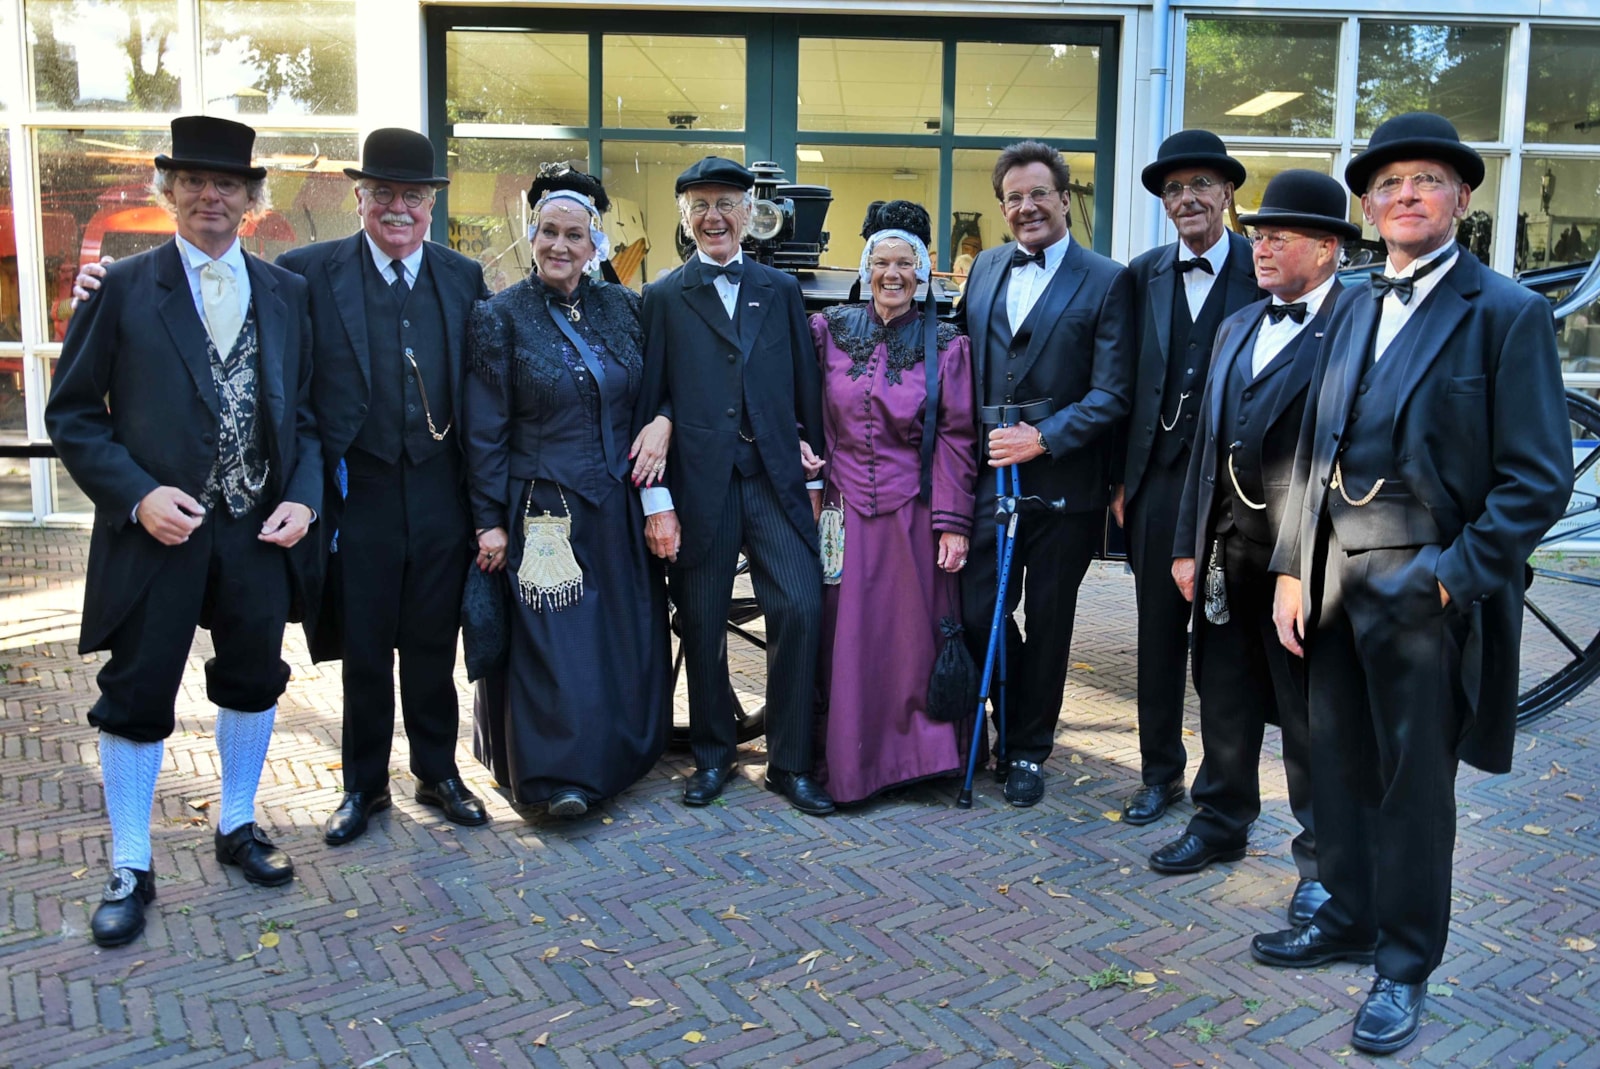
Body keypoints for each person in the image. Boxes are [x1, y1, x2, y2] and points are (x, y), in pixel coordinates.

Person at [1259, 113, 1572, 1055]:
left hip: (1426, 582)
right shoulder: (1352, 303)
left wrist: (1448, 581)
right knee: (1336, 762)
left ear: (1461, 198)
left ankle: (1403, 964)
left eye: (1426, 180)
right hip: (1329, 574)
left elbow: (1537, 478)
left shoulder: (1506, 313)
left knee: (1413, 786)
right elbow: (1313, 446)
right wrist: (1290, 567)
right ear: (1367, 205)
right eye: (1388, 183)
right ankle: (1349, 915)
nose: (1406, 195)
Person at [46, 116, 320, 948]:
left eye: (226, 183)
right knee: (137, 689)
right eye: (193, 181)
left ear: (250, 198)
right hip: (156, 531)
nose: (210, 196)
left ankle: (237, 825)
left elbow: (306, 417)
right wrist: (137, 496)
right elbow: (72, 415)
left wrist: (304, 499)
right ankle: (130, 863)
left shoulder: (286, 293)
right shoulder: (122, 288)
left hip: (255, 528)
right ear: (169, 191)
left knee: (253, 675)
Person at [278, 129, 493, 844]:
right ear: (360, 198)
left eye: (413, 196)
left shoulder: (462, 277)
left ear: (431, 204)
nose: (398, 208)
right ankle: (363, 786)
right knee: (365, 648)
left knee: (432, 646)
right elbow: (236, 304)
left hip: (438, 491)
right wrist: (102, 287)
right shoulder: (307, 272)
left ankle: (438, 772)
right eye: (384, 194)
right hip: (358, 491)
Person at [1154, 171, 1357, 930]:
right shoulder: (1239, 323)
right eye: (1258, 234)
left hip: (1307, 560)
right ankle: (1220, 819)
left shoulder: (1358, 324)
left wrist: (1301, 566)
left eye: (1278, 236)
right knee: (1223, 689)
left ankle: (1325, 861)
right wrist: (1188, 543)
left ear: (1327, 248)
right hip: (1225, 548)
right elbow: (1206, 445)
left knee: (1309, 715)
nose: (1260, 248)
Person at [467, 167, 672, 817]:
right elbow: (484, 429)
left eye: (574, 235)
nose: (560, 245)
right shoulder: (499, 316)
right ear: (532, 236)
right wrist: (489, 521)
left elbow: (656, 391)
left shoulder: (625, 308)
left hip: (617, 506)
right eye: (549, 232)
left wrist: (664, 421)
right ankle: (557, 778)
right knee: (558, 648)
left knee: (618, 636)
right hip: (544, 510)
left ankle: (620, 758)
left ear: (594, 244)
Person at [635, 156, 833, 816]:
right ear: (684, 216)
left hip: (774, 479)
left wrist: (815, 473)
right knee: (700, 621)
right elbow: (650, 401)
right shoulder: (664, 295)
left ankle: (790, 763)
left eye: (726, 204)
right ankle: (714, 755)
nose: (713, 217)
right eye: (700, 205)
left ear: (749, 213)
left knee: (800, 606)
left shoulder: (779, 290)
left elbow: (805, 385)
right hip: (701, 487)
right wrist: (658, 501)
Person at [955, 141, 1133, 807]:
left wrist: (1044, 438)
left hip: (1065, 482)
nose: (1026, 206)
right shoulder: (985, 267)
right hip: (988, 476)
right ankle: (1007, 713)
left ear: (1063, 197)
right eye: (1013, 198)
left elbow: (1114, 392)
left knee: (1051, 620)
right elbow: (960, 358)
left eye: (1038, 193)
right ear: (1002, 208)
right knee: (978, 608)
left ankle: (1028, 749)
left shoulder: (1108, 279)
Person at [1113, 130, 1264, 826]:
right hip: (1157, 481)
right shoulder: (1140, 274)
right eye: (1174, 189)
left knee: (1227, 642)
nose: (1188, 198)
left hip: (1236, 490)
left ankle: (1225, 784)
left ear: (1228, 192)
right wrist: (1120, 481)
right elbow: (1118, 383)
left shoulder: (1262, 268)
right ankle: (1159, 774)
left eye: (1201, 184)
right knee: (1157, 636)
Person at [809, 201, 978, 804]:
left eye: (905, 263)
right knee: (848, 640)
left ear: (923, 272)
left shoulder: (948, 344)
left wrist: (953, 523)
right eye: (881, 261)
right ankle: (851, 763)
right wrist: (808, 475)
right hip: (843, 513)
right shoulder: (827, 331)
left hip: (915, 515)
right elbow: (802, 408)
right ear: (866, 267)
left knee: (909, 640)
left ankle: (918, 757)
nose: (892, 274)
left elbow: (957, 438)